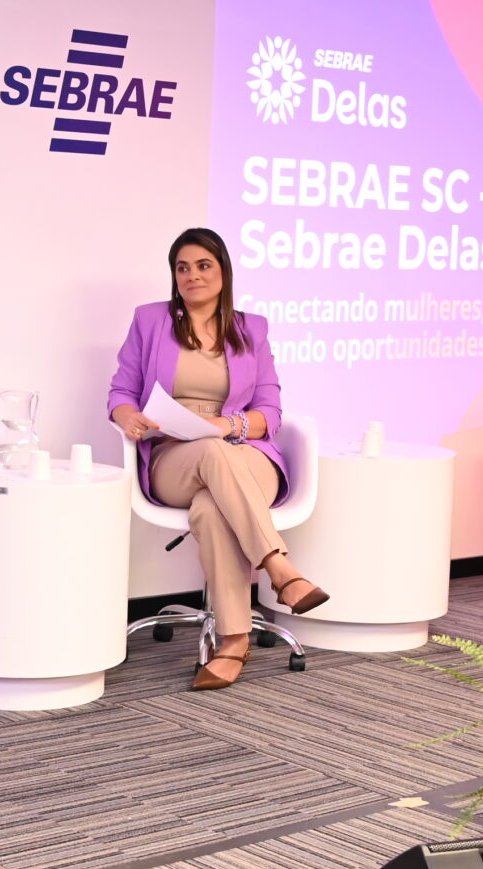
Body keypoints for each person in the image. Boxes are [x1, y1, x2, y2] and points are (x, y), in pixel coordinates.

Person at [107, 228, 327, 690]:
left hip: (246, 454)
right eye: (182, 268)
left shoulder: (251, 329)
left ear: (223, 271)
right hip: (174, 456)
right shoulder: (150, 320)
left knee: (211, 505)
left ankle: (234, 641)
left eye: (203, 265)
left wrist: (227, 426)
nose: (192, 275)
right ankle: (279, 568)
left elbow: (270, 412)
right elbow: (121, 392)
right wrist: (128, 417)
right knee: (208, 453)